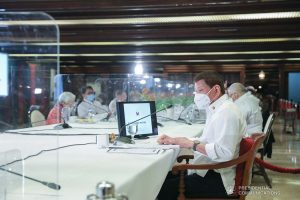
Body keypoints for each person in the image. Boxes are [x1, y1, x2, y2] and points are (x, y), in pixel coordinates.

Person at [157, 71, 246, 199]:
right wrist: (177, 140)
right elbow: (208, 140)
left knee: (161, 188)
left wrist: (191, 144)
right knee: (163, 177)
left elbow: (225, 153)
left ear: (216, 89)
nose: (197, 95)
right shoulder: (217, 109)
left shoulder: (226, 112)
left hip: (219, 179)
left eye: (200, 90)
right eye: (196, 91)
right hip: (211, 170)